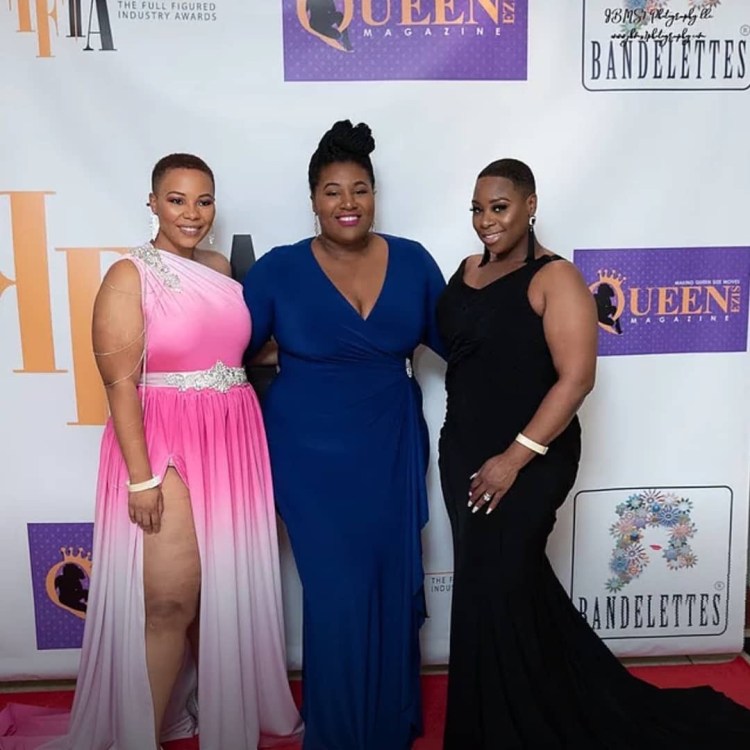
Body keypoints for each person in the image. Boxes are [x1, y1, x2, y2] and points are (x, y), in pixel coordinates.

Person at [436, 157, 750, 749]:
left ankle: (531, 723)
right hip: (464, 455)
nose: (486, 220)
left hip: (530, 458)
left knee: (505, 581)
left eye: (499, 207)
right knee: (492, 589)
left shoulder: (556, 278)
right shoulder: (467, 270)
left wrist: (513, 459)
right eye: (477, 209)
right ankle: (507, 716)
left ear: (530, 205)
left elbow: (577, 378)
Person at [0, 154, 302, 749]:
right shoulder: (128, 275)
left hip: (231, 439)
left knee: (220, 597)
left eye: (203, 201)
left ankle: (215, 712)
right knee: (168, 601)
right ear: (153, 203)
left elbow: (233, 354)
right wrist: (141, 479)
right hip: (165, 445)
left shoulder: (220, 268)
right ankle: (138, 738)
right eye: (177, 199)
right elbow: (119, 383)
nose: (192, 213)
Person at [242, 120, 445, 750]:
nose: (347, 203)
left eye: (360, 189)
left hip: (389, 447)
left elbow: (461, 342)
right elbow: (230, 353)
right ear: (313, 199)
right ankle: (337, 732)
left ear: (375, 195)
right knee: (335, 594)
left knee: (387, 581)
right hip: (309, 457)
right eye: (332, 191)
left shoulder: (413, 261)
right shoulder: (277, 270)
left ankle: (386, 722)